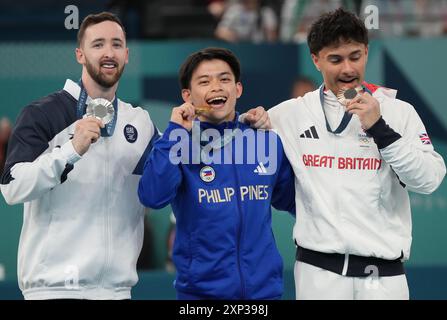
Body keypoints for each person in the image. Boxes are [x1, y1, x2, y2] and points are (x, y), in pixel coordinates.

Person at [268, 8, 446, 300]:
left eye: (355, 56)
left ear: (366, 52)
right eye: (335, 59)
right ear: (316, 59)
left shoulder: (398, 112)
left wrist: (380, 129)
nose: (348, 69)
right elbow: (235, 141)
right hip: (318, 273)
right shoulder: (291, 114)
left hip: (384, 275)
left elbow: (428, 180)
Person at [0, 12, 160, 300]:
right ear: (80, 55)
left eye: (116, 44)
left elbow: (168, 181)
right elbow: (12, 187)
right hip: (54, 291)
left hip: (116, 292)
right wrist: (70, 152)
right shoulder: (42, 113)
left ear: (127, 55)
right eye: (97, 44)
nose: (108, 53)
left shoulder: (141, 123)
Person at [138, 47, 295, 300]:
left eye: (224, 79)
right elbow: (152, 197)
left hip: (265, 294)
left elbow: (294, 202)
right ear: (187, 95)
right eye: (204, 81)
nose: (216, 86)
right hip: (201, 296)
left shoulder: (264, 141)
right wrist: (174, 133)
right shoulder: (178, 143)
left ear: (238, 89)